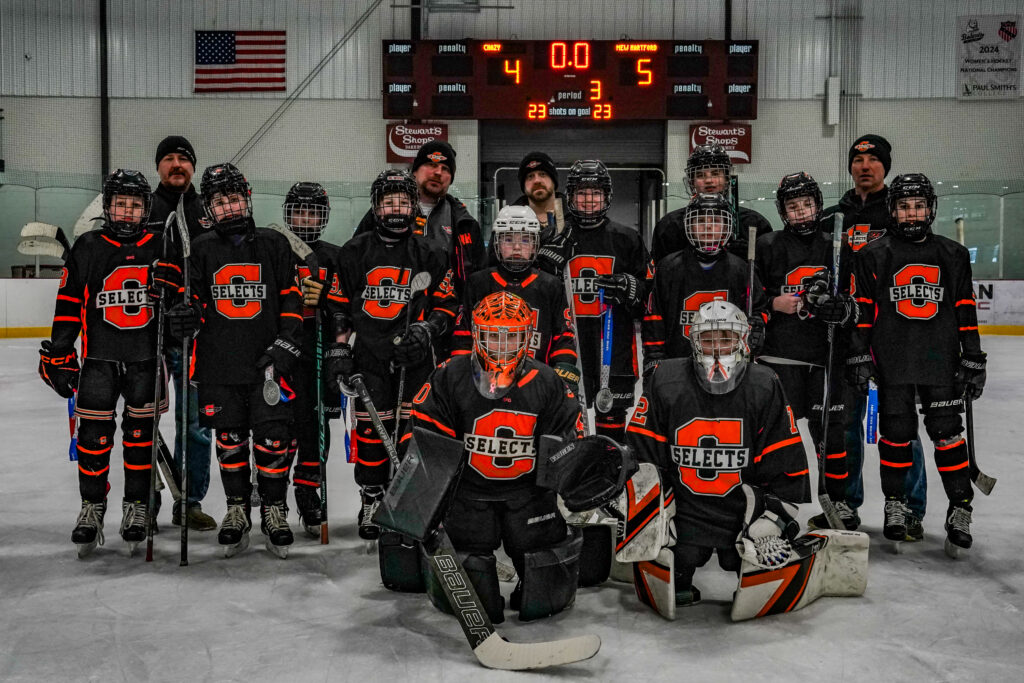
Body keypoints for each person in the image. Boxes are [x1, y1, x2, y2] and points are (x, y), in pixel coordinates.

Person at [411, 291, 585, 622]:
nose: (501, 346)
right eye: (492, 335)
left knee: (545, 588)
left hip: (528, 493)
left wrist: (568, 482)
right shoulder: (449, 375)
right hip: (468, 493)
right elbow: (426, 439)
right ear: (476, 333)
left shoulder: (548, 381)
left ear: (528, 336)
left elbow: (565, 444)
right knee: (474, 582)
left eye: (512, 336)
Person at [626, 300, 810, 605]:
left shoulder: (764, 384)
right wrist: (652, 513)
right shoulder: (666, 379)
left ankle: (750, 545)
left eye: (725, 338)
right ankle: (679, 560)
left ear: (742, 340)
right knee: (675, 570)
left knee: (756, 572)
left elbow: (784, 461)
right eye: (707, 339)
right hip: (683, 511)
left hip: (741, 512)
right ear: (693, 340)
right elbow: (643, 454)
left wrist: (771, 520)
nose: (716, 348)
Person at [165, 163, 303, 558]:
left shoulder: (274, 244)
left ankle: (275, 510)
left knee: (274, 440)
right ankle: (237, 510)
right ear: (209, 207)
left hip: (268, 365)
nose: (229, 207)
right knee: (229, 441)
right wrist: (184, 318)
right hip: (220, 365)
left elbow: (292, 301)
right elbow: (190, 306)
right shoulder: (201, 249)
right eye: (220, 201)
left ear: (248, 197)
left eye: (234, 198)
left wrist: (284, 347)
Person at [38, 169, 178, 556]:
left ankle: (137, 507)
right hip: (99, 361)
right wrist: (61, 353)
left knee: (140, 440)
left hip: (146, 361)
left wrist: (176, 291)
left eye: (135, 205)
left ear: (145, 208)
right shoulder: (88, 245)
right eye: (121, 204)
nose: (127, 212)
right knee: (93, 440)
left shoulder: (161, 245)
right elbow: (67, 306)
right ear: (108, 206)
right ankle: (92, 507)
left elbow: (180, 302)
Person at [846, 173, 985, 557]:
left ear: (930, 208)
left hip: (940, 361)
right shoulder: (872, 254)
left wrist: (973, 356)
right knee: (896, 434)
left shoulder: (952, 255)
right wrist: (859, 355)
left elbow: (964, 310)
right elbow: (862, 314)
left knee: (946, 434)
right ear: (892, 210)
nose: (912, 214)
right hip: (892, 362)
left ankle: (960, 508)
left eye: (919, 206)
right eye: (904, 207)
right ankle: (897, 503)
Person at [325, 169, 457, 540]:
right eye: (388, 201)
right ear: (376, 207)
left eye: (403, 200)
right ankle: (371, 496)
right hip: (370, 357)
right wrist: (338, 348)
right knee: (371, 432)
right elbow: (338, 305)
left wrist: (425, 331)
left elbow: (446, 306)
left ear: (414, 206)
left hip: (415, 361)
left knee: (412, 432)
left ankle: (408, 500)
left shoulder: (431, 251)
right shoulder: (354, 250)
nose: (396, 207)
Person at [822, 134, 928, 539]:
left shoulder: (901, 213)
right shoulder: (834, 216)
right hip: (846, 336)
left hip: (893, 336)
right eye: (858, 159)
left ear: (886, 165)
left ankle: (910, 507)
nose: (865, 165)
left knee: (899, 425)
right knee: (845, 422)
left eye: (873, 159)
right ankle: (846, 505)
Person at [756, 172, 859, 529]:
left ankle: (839, 501)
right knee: (776, 434)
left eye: (807, 205)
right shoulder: (768, 246)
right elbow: (750, 298)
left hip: (823, 358)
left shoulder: (838, 245)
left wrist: (842, 310)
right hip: (779, 358)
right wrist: (771, 303)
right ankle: (771, 501)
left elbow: (856, 302)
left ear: (818, 205)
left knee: (830, 433)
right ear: (783, 211)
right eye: (793, 207)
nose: (801, 212)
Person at [535, 159, 653, 442]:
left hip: (612, 345)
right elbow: (536, 290)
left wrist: (630, 287)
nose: (589, 200)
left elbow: (649, 296)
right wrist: (546, 260)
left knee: (610, 417)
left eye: (596, 193)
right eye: (582, 194)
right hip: (566, 343)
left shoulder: (627, 238)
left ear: (607, 196)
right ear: (571, 196)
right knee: (562, 414)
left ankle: (608, 471)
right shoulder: (555, 234)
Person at [146, 134, 215, 532]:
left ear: (194, 166)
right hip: (150, 336)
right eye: (169, 158)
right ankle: (146, 500)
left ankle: (189, 501)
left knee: (196, 425)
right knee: (145, 424)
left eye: (184, 159)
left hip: (196, 339)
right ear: (158, 166)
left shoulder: (207, 210)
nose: (177, 165)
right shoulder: (145, 207)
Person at [451, 205, 579, 393]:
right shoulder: (478, 283)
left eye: (525, 240)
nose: (517, 247)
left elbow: (564, 335)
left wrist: (564, 368)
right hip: (488, 383)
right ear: (497, 243)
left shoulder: (551, 285)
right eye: (508, 239)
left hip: (536, 383)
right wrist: (462, 373)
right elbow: (463, 335)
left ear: (535, 244)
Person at [642, 192, 768, 379]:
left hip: (729, 365)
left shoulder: (741, 269)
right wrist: (654, 358)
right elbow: (654, 319)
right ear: (688, 226)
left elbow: (758, 308)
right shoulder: (668, 268)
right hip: (677, 364)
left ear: (727, 226)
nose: (708, 226)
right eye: (700, 220)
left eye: (716, 221)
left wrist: (756, 325)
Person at [281, 182, 345, 535]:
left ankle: (308, 490)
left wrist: (328, 305)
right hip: (280, 349)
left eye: (313, 211)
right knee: (278, 423)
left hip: (315, 352)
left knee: (314, 424)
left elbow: (344, 306)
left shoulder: (334, 255)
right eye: (299, 211)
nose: (305, 218)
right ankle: (272, 490)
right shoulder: (275, 248)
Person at [353, 140, 484, 298]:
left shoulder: (464, 222)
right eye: (431, 165)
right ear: (414, 171)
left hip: (445, 312)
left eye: (445, 168)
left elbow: (478, 277)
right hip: (389, 310)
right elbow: (354, 260)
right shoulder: (384, 212)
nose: (438, 173)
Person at [650, 144, 772, 264]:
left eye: (715, 173)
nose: (708, 180)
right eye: (700, 175)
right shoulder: (670, 226)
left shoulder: (754, 223)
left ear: (727, 179)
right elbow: (660, 274)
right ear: (692, 182)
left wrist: (751, 257)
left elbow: (768, 270)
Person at [510, 151, 567, 236]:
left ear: (553, 181)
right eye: (530, 176)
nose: (537, 181)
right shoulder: (510, 218)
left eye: (543, 174)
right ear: (523, 186)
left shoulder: (574, 217)